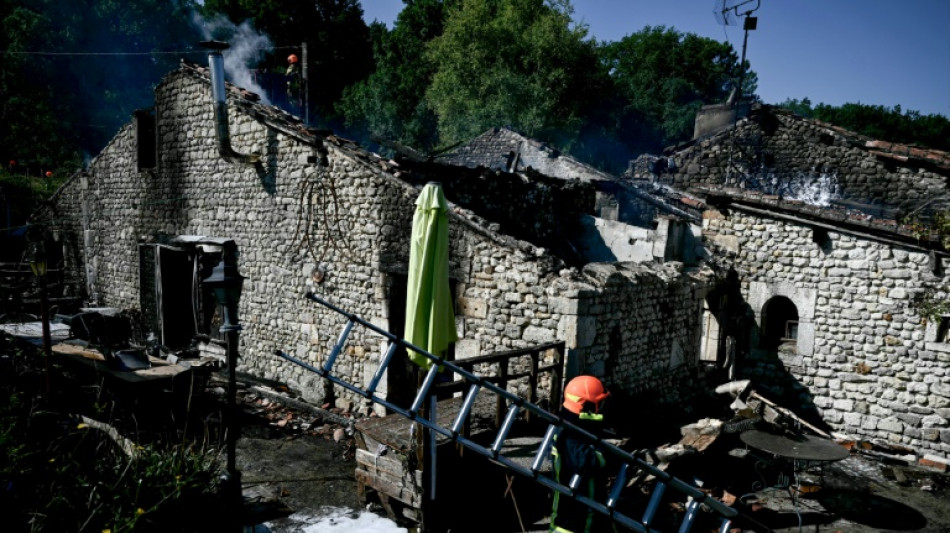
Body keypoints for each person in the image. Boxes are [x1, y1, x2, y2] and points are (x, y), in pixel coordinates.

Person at [550, 375, 615, 533]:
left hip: (585, 512)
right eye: (599, 403)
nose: (602, 407)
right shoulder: (569, 433)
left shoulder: (571, 424)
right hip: (572, 520)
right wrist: (608, 457)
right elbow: (583, 461)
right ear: (586, 405)